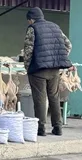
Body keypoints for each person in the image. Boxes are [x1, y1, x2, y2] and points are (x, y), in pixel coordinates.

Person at [23, 7, 72, 137]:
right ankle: (58, 127)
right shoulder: (55, 27)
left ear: (31, 19)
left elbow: (28, 50)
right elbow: (68, 45)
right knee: (54, 97)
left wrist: (27, 67)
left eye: (29, 21)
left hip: (39, 69)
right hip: (55, 69)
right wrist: (57, 57)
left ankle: (41, 128)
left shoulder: (33, 28)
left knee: (40, 98)